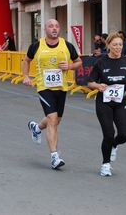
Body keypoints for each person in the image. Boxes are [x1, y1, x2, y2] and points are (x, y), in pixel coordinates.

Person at [22, 19, 82, 169]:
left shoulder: (66, 45)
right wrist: (26, 76)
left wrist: (69, 66)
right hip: (44, 87)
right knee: (53, 119)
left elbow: (79, 62)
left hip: (61, 88)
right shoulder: (37, 46)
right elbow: (26, 60)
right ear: (45, 30)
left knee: (55, 120)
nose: (54, 29)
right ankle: (54, 157)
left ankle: (36, 128)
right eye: (51, 26)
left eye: (57, 26)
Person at [87, 32, 126, 176]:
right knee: (108, 134)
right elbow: (90, 82)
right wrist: (98, 86)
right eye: (114, 44)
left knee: (125, 134)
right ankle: (105, 164)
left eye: (120, 44)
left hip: (121, 102)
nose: (118, 47)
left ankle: (114, 144)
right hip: (104, 102)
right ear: (108, 45)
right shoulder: (101, 62)